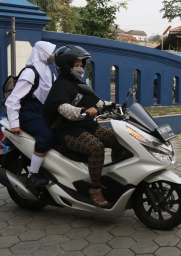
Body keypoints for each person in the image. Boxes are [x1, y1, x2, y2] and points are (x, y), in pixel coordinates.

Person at [43, 45, 126, 207]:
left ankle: (116, 178)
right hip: (69, 130)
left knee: (118, 139)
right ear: (67, 66)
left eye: (81, 65)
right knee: (96, 147)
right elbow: (64, 109)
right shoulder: (60, 86)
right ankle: (95, 189)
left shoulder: (79, 84)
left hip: (88, 126)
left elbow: (97, 101)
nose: (80, 68)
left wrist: (114, 106)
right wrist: (84, 111)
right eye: (76, 65)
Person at [5, 41, 58, 187]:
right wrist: (14, 123)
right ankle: (32, 174)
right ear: (43, 52)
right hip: (28, 112)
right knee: (46, 137)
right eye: (52, 52)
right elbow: (13, 100)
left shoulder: (48, 72)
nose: (54, 55)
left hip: (41, 111)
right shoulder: (30, 72)